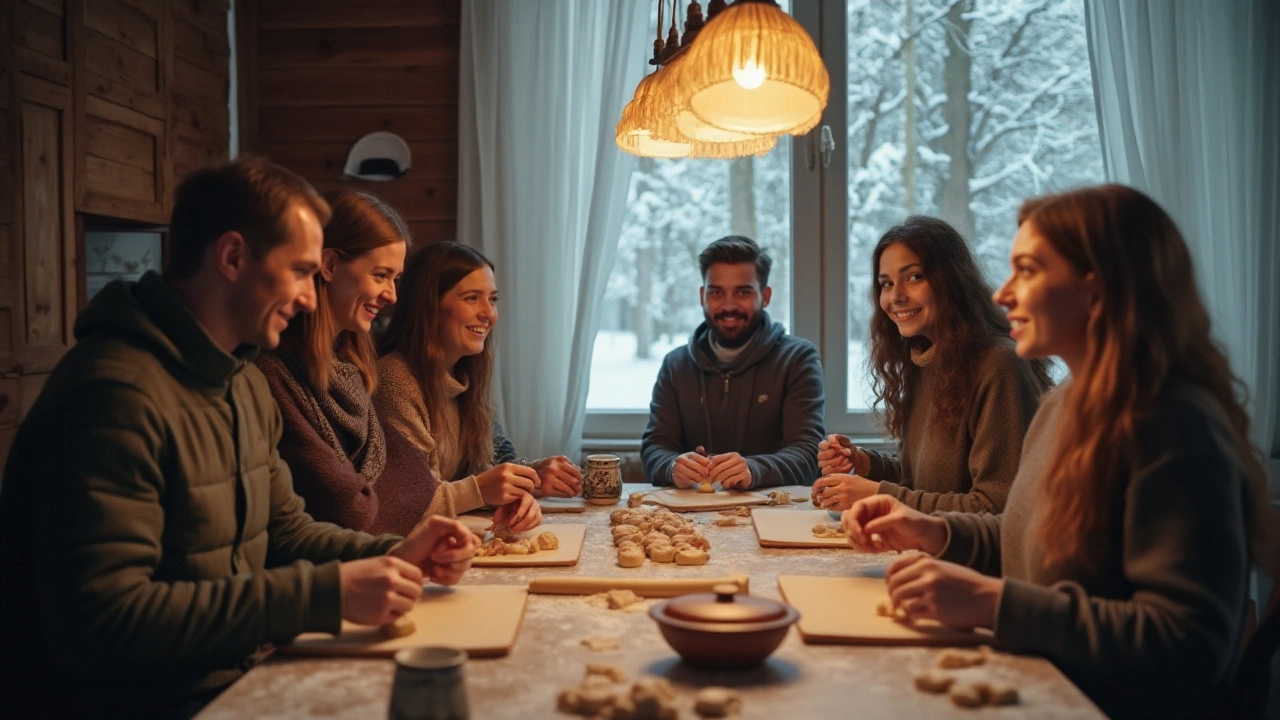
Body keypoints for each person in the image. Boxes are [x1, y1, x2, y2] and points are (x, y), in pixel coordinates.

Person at [0, 158, 479, 719]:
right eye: (301, 270)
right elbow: (102, 625)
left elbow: (285, 531)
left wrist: (397, 555)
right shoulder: (113, 396)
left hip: (233, 681)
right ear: (231, 258)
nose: (309, 296)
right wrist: (325, 595)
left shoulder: (240, 382)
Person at [840, 185, 1276, 718]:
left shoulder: (1173, 423)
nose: (1001, 294)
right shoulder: (1065, 403)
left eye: (1027, 270)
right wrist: (934, 531)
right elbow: (1025, 533)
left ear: (1098, 289)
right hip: (1042, 679)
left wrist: (992, 603)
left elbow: (1186, 647)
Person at [813, 217, 1052, 513]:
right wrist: (865, 462)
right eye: (886, 284)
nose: (896, 296)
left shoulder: (999, 364)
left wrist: (879, 497)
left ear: (952, 280)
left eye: (914, 277)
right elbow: (930, 482)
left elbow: (997, 506)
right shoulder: (923, 360)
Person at [256, 189, 445, 536]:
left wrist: (377, 495)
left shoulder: (351, 369)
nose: (392, 295)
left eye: (396, 278)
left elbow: (420, 483)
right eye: (380, 275)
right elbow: (349, 511)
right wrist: (385, 495)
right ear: (328, 266)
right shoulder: (273, 372)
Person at [376, 241, 578, 531]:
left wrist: (522, 486)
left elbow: (494, 461)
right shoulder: (395, 382)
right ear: (429, 306)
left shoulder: (464, 376)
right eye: (472, 298)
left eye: (493, 299)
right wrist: (485, 490)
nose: (489, 314)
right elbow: (408, 502)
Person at [641, 235, 825, 489]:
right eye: (717, 292)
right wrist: (672, 466)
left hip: (775, 514)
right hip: (690, 518)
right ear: (703, 296)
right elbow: (655, 447)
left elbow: (807, 453)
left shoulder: (797, 359)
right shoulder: (676, 365)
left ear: (766, 296)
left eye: (742, 292)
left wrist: (753, 469)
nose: (728, 305)